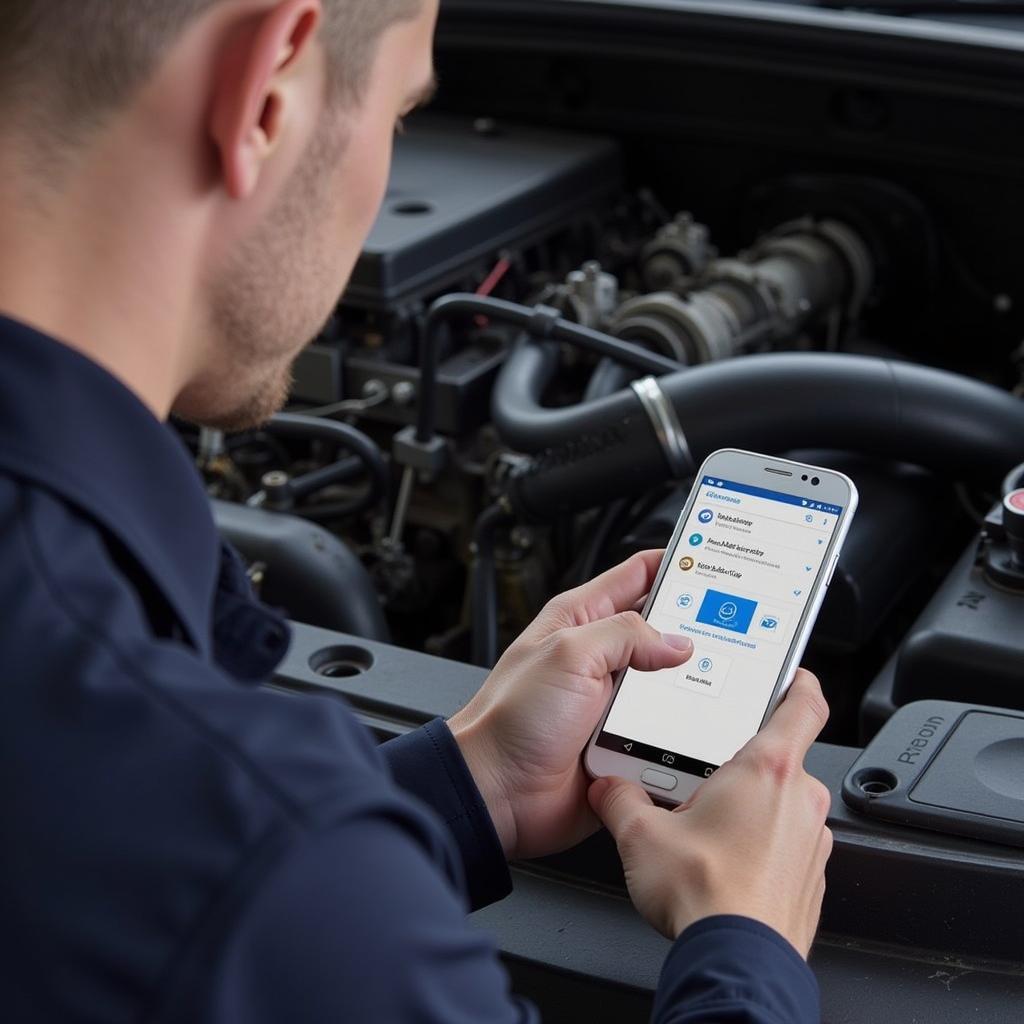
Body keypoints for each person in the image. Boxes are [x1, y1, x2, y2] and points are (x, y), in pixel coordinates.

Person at [0, 1, 833, 1021]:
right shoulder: (257, 864)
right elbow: (226, 873)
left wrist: (466, 782)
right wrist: (745, 940)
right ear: (266, 89)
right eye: (400, 115)